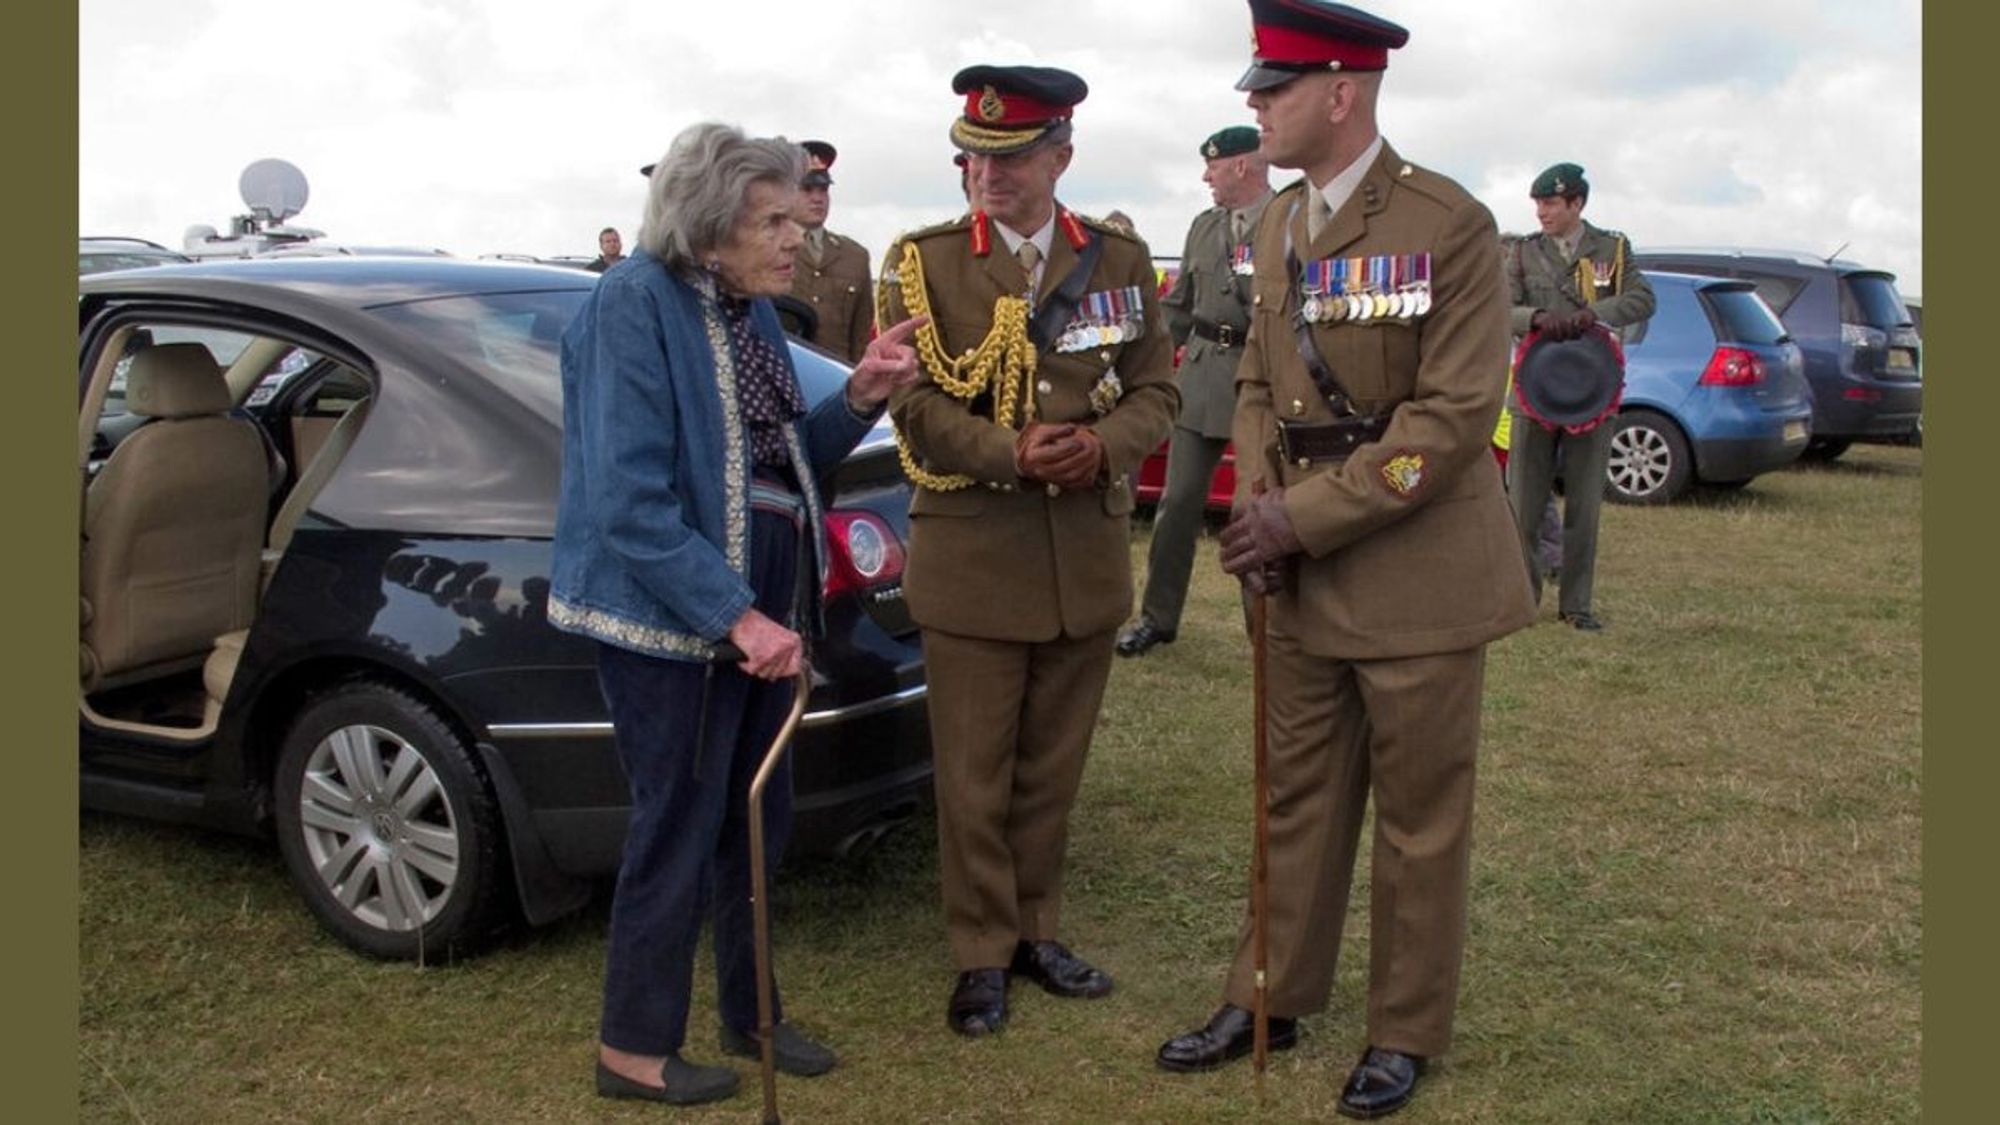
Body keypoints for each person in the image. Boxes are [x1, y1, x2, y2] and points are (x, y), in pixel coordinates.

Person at [1153, 3, 1534, 1119]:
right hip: (1301, 567)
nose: (1252, 106)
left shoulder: (1447, 223)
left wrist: (1301, 518)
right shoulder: (1269, 227)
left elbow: (1455, 416)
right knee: (1293, 798)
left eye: (1271, 89)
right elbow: (1263, 383)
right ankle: (1267, 993)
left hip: (1416, 562)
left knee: (1419, 817)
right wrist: (1261, 501)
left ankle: (1403, 1029)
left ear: (1340, 92)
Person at [549, 122, 923, 1105]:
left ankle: (753, 1013)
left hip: (761, 602)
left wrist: (865, 398)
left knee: (753, 823)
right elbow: (626, 505)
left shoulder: (746, 308)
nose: (796, 233)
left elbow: (783, 457)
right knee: (675, 823)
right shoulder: (628, 305)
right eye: (770, 218)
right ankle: (631, 1047)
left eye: (793, 212)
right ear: (708, 226)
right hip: (668, 619)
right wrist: (735, 617)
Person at [877, 64, 1178, 1039]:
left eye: (1008, 159)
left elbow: (1155, 391)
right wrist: (1009, 451)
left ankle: (1036, 930)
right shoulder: (924, 263)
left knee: (1051, 764)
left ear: (1060, 156)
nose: (985, 176)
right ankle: (978, 951)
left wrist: (1102, 447)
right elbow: (915, 407)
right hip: (973, 549)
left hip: (1079, 555)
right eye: (971, 157)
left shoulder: (1118, 260)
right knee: (971, 771)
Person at [1118, 124, 1274, 658]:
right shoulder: (1204, 227)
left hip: (1262, 382)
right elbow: (1179, 307)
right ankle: (1158, 618)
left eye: (1214, 166)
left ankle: (1268, 627)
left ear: (1242, 167)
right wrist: (1139, 362)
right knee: (1177, 503)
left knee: (1255, 511)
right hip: (1202, 377)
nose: (1206, 176)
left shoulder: (1289, 221)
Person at [1504, 161, 1656, 631]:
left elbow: (1642, 299)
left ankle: (1577, 605)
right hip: (1534, 386)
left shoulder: (1611, 247)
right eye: (1538, 204)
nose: (1542, 213)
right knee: (1522, 506)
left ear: (1577, 204)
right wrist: (1535, 318)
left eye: (1551, 204)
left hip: (1590, 389)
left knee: (1585, 505)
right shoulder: (1523, 253)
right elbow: (1499, 307)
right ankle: (1520, 601)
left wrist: (1595, 314)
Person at [789, 139, 876, 364]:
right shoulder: (768, 249)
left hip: (836, 384)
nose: (817, 198)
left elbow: (861, 340)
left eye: (823, 189)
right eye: (807, 189)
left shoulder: (854, 257)